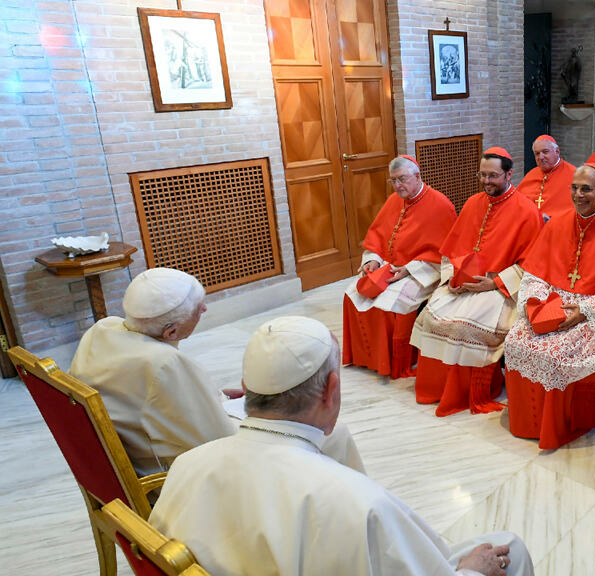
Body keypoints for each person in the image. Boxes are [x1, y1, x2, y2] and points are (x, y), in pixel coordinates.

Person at [150, 316, 533, 576]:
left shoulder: (186, 464)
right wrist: (469, 570)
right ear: (331, 391)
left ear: (247, 389)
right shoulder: (360, 506)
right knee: (507, 548)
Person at [504, 164, 595, 449]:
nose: (579, 195)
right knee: (517, 340)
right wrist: (536, 304)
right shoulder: (556, 223)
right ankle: (527, 423)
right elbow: (536, 273)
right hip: (550, 303)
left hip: (592, 311)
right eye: (574, 188)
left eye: (587, 189)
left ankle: (560, 427)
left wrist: (583, 312)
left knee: (559, 353)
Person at [410, 147, 543, 416]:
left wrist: (494, 284)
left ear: (509, 174)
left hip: (500, 288)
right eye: (482, 175)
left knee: (462, 327)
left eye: (493, 176)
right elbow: (452, 249)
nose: (486, 181)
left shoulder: (527, 211)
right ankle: (435, 389)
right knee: (434, 316)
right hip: (463, 283)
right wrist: (451, 278)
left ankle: (469, 392)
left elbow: (532, 265)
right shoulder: (472, 203)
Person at [69, 268, 234, 476]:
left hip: (124, 465)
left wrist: (217, 397)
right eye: (199, 309)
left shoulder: (101, 328)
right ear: (171, 331)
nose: (205, 309)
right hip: (168, 481)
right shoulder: (164, 363)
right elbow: (220, 440)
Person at [342, 155, 456, 379]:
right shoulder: (394, 200)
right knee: (352, 294)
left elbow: (445, 254)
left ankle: (391, 363)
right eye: (393, 180)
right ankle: (364, 358)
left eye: (402, 179)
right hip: (387, 266)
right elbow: (377, 236)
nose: (397, 185)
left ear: (417, 176)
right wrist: (372, 259)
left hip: (421, 271)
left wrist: (409, 269)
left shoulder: (440, 205)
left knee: (389, 305)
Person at [518, 135, 576, 219]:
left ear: (557, 151)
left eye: (545, 152)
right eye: (537, 154)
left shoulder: (574, 175)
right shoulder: (531, 174)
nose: (540, 157)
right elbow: (518, 203)